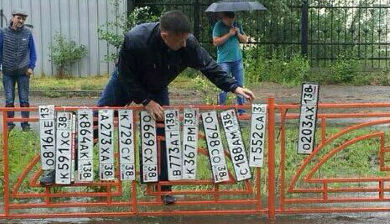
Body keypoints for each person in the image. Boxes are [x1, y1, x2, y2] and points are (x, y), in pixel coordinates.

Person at [41, 11, 255, 198]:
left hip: (157, 87)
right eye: (180, 41)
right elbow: (125, 74)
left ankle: (163, 186)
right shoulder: (136, 40)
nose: (184, 45)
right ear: (165, 36)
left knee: (162, 133)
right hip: (125, 83)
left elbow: (209, 66)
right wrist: (145, 101)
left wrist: (234, 87)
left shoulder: (187, 43)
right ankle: (60, 169)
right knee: (97, 123)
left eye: (186, 40)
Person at [0, 9, 37, 132]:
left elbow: (33, 52)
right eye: (19, 18)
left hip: (23, 72)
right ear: (13, 18)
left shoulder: (28, 33)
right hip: (7, 71)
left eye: (23, 19)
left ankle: (25, 124)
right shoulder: (3, 32)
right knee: (9, 98)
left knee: (24, 99)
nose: (21, 21)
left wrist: (31, 67)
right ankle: (9, 123)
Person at [211, 11, 250, 108]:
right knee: (223, 84)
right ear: (225, 18)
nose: (231, 22)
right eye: (229, 21)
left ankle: (241, 109)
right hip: (224, 61)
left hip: (237, 59)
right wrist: (229, 34)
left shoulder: (237, 25)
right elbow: (215, 42)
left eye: (233, 19)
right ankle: (221, 107)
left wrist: (237, 33)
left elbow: (245, 40)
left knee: (240, 84)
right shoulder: (218, 26)